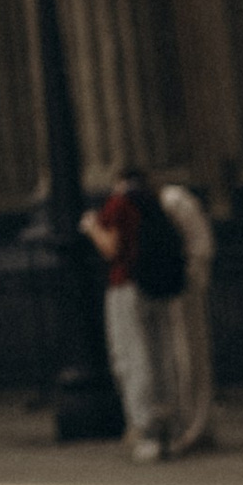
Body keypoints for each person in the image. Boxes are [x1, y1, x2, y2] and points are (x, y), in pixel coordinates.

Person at [81, 166, 175, 461]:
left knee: (132, 359)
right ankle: (165, 424)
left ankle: (145, 431)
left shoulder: (119, 204)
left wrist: (91, 227)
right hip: (155, 286)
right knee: (157, 355)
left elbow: (112, 248)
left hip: (125, 285)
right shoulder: (151, 202)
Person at [153, 177, 219, 454]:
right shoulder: (167, 201)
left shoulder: (173, 200)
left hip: (182, 286)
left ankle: (196, 424)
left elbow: (200, 246)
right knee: (178, 358)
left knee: (189, 355)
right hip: (173, 286)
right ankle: (186, 423)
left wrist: (190, 276)